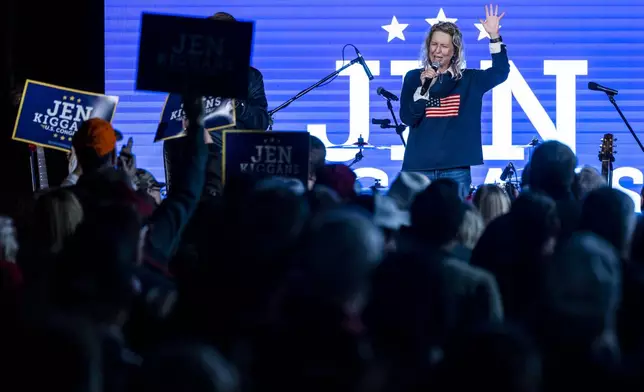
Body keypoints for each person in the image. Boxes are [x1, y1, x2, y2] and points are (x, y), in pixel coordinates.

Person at [399, 4, 510, 199]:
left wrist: (494, 36)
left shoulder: (469, 80)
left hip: (455, 169)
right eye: (434, 45)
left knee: (455, 223)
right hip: (418, 168)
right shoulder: (414, 78)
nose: (438, 51)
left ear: (454, 51)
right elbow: (408, 118)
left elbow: (500, 72)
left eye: (444, 46)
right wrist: (423, 88)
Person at [163, 11, 270, 198]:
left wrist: (238, 105)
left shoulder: (250, 77)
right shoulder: (185, 75)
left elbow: (261, 122)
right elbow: (172, 129)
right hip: (197, 165)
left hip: (236, 167)